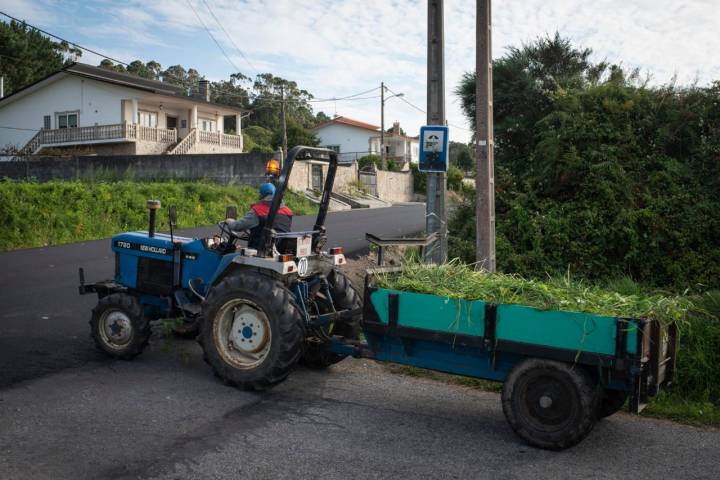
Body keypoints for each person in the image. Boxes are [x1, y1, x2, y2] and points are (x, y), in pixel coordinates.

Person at [225, 182, 293, 249]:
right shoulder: (288, 212)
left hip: (260, 251)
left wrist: (229, 221)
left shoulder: (258, 211)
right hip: (281, 251)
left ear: (261, 195)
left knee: (228, 257)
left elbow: (237, 226)